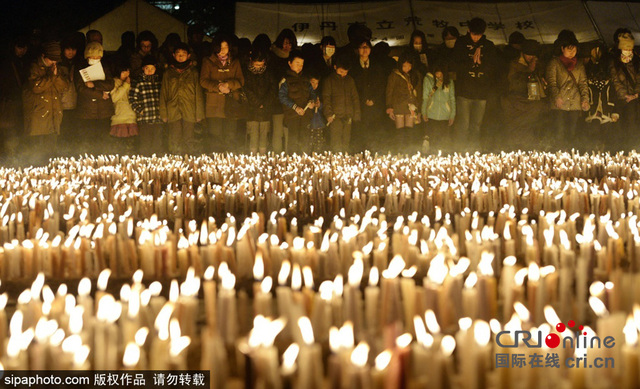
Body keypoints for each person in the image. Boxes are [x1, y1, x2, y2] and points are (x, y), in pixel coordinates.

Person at [452, 17, 497, 151]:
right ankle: (460, 151)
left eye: (479, 35)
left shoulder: (489, 45)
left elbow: (493, 68)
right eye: (473, 34)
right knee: (463, 124)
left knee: (477, 125)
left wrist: (482, 63)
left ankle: (474, 151)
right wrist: (470, 61)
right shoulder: (460, 43)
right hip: (464, 91)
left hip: (481, 92)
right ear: (468, 30)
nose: (476, 37)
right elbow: (455, 64)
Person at [22, 41, 68, 162]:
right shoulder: (34, 67)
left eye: (56, 60)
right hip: (38, 119)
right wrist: (52, 77)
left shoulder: (56, 69)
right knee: (36, 155)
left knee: (50, 155)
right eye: (51, 59)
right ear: (43, 56)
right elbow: (36, 87)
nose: (54, 63)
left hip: (53, 117)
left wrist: (56, 76)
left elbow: (63, 87)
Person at [501, 39, 548, 150]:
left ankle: (529, 147)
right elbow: (513, 82)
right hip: (516, 99)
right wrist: (528, 70)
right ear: (522, 53)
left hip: (532, 101)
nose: (530, 58)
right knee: (516, 125)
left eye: (533, 56)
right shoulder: (515, 64)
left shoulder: (539, 64)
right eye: (528, 55)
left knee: (531, 122)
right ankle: (513, 147)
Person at [200, 34, 244, 153]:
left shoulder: (235, 62)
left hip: (231, 103)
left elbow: (241, 81)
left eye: (226, 47)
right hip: (214, 104)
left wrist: (229, 85)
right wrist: (218, 86)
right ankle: (216, 163)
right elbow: (203, 81)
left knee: (230, 135)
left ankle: (229, 163)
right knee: (215, 136)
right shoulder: (208, 61)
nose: (223, 50)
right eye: (221, 47)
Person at [546, 30, 589, 147]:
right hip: (560, 103)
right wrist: (556, 97)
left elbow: (583, 84)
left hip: (574, 103)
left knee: (572, 132)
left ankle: (571, 156)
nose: (572, 52)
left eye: (574, 49)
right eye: (569, 49)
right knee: (559, 132)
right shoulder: (554, 63)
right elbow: (552, 83)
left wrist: (585, 99)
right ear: (562, 48)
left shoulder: (579, 65)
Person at [161, 43, 205, 155]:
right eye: (178, 54)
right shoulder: (168, 73)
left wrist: (199, 113)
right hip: (173, 109)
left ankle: (189, 162)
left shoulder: (193, 72)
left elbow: (198, 94)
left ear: (189, 56)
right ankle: (176, 164)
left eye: (183, 54)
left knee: (189, 137)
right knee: (174, 137)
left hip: (190, 109)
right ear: (173, 55)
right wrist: (164, 113)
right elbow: (163, 93)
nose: (180, 57)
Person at [75, 41, 115, 155]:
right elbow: (81, 89)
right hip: (87, 111)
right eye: (92, 57)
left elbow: (110, 84)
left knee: (103, 141)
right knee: (88, 140)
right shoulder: (80, 68)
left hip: (104, 111)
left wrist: (95, 84)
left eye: (97, 57)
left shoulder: (105, 67)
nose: (95, 59)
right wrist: (100, 94)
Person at [350, 39, 386, 152]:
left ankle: (374, 153)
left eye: (367, 47)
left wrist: (374, 99)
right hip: (359, 105)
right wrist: (362, 99)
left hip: (375, 106)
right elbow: (352, 87)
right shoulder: (353, 67)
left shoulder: (377, 66)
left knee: (374, 130)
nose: (365, 49)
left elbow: (381, 85)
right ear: (357, 50)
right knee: (360, 130)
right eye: (362, 47)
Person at [278, 49, 316, 154]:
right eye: (297, 63)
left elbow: (312, 92)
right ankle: (293, 164)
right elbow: (282, 97)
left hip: (305, 114)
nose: (300, 67)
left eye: (302, 64)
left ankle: (304, 163)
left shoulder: (305, 78)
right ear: (290, 63)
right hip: (292, 116)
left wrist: (312, 101)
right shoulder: (286, 80)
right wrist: (295, 107)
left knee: (305, 139)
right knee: (293, 140)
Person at [582, 41, 617, 150]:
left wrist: (615, 112)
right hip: (593, 108)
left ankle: (604, 151)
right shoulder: (587, 75)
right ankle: (593, 151)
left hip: (606, 109)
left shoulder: (609, 79)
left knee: (606, 133)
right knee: (593, 130)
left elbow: (613, 94)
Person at [322, 56, 360, 153]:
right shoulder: (329, 80)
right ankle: (336, 162)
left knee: (346, 141)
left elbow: (355, 98)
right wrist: (328, 114)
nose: (343, 74)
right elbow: (326, 98)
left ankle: (345, 161)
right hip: (335, 117)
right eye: (341, 71)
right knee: (336, 142)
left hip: (348, 116)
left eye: (346, 72)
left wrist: (356, 114)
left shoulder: (350, 80)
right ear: (335, 67)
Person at [609, 32, 640, 148]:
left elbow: (639, 79)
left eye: (630, 47)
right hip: (620, 100)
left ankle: (632, 148)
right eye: (625, 47)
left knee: (633, 125)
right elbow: (615, 81)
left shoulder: (637, 62)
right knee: (619, 126)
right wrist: (625, 95)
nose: (628, 50)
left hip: (634, 100)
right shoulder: (614, 63)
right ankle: (620, 150)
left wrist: (635, 95)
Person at [129, 55, 164, 156]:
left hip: (158, 117)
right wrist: (140, 110)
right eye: (147, 68)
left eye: (152, 68)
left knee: (157, 141)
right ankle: (144, 161)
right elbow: (132, 98)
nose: (149, 71)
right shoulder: (138, 82)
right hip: (145, 118)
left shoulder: (159, 82)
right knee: (145, 142)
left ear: (155, 69)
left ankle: (158, 163)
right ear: (143, 68)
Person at [270, 29, 298, 153]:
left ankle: (289, 155)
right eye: (286, 43)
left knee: (288, 130)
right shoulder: (273, 57)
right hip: (276, 101)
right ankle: (277, 157)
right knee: (277, 130)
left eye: (290, 44)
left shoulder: (295, 58)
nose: (287, 46)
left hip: (291, 100)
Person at [244, 50, 277, 154]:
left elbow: (273, 89)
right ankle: (252, 157)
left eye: (261, 64)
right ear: (251, 61)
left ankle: (263, 157)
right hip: (251, 110)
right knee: (252, 134)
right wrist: (257, 103)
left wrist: (265, 103)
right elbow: (246, 89)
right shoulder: (247, 73)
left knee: (264, 135)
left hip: (266, 110)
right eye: (256, 64)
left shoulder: (269, 73)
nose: (258, 67)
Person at [421, 62, 456, 153]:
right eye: (437, 72)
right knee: (432, 139)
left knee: (443, 140)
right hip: (432, 114)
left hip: (445, 115)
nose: (439, 75)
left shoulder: (449, 82)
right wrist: (424, 112)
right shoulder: (428, 80)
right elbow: (425, 97)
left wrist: (452, 115)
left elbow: (452, 99)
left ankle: (442, 158)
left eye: (441, 72)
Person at [386, 52, 422, 131]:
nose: (407, 68)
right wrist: (389, 107)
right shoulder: (394, 75)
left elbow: (419, 93)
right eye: (405, 66)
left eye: (409, 66)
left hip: (411, 106)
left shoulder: (415, 75)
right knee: (400, 132)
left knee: (409, 131)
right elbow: (389, 92)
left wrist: (419, 109)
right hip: (398, 106)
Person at [109, 62, 137, 154]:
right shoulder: (114, 82)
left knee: (131, 146)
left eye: (127, 72)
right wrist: (125, 85)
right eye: (123, 72)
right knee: (119, 147)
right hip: (119, 117)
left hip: (131, 117)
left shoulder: (133, 82)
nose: (126, 74)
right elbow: (114, 98)